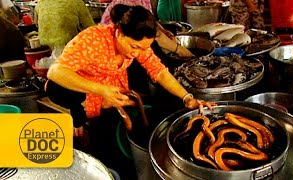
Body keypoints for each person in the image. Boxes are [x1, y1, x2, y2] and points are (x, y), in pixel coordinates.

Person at [46, 4, 214, 179]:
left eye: (143, 48)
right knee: (105, 144)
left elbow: (159, 71)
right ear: (119, 33)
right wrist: (101, 91)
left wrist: (187, 97)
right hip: (82, 94)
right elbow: (55, 72)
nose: (138, 53)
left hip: (116, 94)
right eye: (134, 47)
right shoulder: (92, 40)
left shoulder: (139, 43)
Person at [100, 0, 193, 58]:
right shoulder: (130, 3)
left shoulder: (144, 1)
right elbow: (149, 32)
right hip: (112, 51)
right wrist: (179, 50)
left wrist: (164, 30)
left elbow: (149, 19)